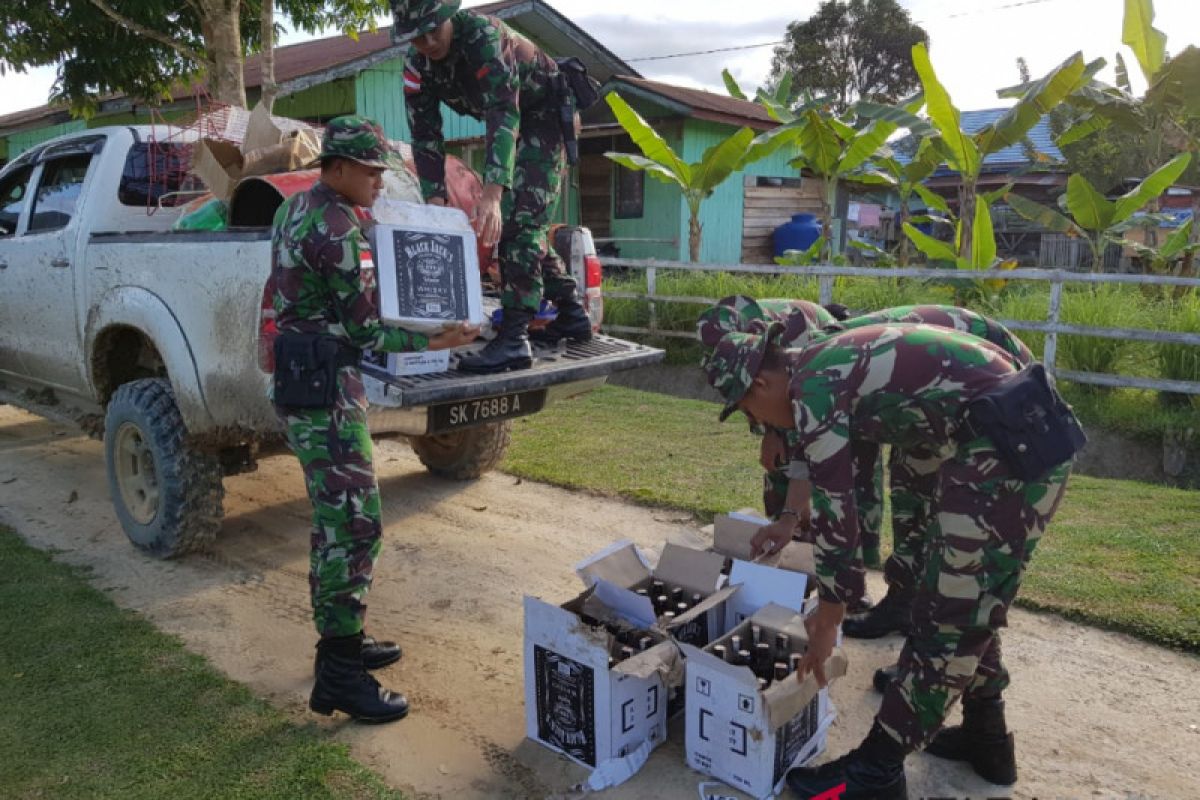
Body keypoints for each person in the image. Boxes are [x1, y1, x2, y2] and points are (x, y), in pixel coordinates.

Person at [702, 322, 1081, 796]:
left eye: (749, 411)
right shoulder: (818, 363)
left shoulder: (813, 388)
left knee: (950, 617)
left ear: (761, 383)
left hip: (1009, 447)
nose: (761, 423)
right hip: (997, 435)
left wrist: (830, 615)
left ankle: (875, 772)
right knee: (961, 598)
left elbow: (836, 506)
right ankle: (987, 737)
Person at [271, 115, 479, 723]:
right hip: (324, 388)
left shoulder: (295, 208)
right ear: (335, 168)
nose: (379, 181)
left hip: (306, 377)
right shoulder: (336, 229)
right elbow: (366, 329)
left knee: (338, 522)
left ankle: (344, 641)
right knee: (354, 526)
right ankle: (339, 674)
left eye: (381, 170)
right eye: (369, 171)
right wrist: (441, 336)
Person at [394, 0, 592, 374]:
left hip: (543, 117)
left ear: (449, 16)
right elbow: (425, 135)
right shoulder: (416, 67)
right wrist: (435, 199)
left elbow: (504, 112)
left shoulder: (484, 37)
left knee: (518, 227)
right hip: (513, 125)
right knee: (526, 230)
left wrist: (492, 193)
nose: (428, 41)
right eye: (417, 36)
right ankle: (571, 314)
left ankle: (514, 340)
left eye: (434, 28)